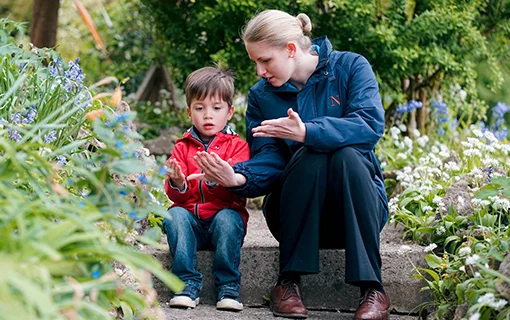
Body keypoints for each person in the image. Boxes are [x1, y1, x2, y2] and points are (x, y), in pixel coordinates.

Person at [189, 9, 390, 320]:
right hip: (295, 216)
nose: (259, 71)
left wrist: (308, 131)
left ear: (291, 50)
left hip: (358, 212)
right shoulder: (261, 97)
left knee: (346, 154)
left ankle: (372, 289)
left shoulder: (350, 67)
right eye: (255, 61)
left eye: (265, 60)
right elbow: (269, 157)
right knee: (308, 156)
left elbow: (369, 125)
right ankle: (287, 283)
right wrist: (238, 177)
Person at [162, 66, 250, 312]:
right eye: (200, 108)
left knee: (229, 218)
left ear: (230, 112)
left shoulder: (237, 146)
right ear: (189, 112)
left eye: (216, 108)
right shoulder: (182, 146)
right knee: (174, 214)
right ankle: (186, 284)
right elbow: (176, 195)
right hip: (191, 222)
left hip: (223, 222)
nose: (208, 115)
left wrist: (216, 178)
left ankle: (228, 287)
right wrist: (178, 183)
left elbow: (238, 191)